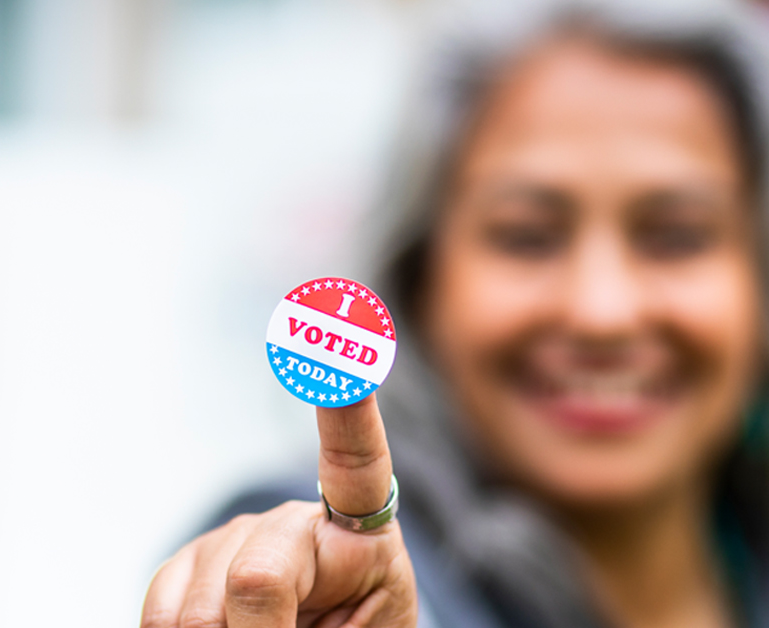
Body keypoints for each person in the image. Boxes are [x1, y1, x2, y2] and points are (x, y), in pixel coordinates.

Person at [140, 1, 769, 627]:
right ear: (421, 282)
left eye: (677, 237)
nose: (601, 311)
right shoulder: (340, 567)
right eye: (526, 236)